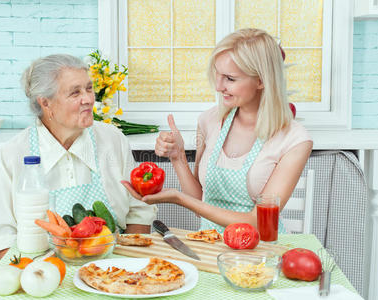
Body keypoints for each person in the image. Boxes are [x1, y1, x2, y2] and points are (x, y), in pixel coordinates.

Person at [122, 28, 312, 233]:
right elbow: (199, 203)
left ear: (261, 80)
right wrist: (177, 157)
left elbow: (259, 222)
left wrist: (178, 198)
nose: (219, 86)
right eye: (217, 74)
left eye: (230, 78)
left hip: (262, 252)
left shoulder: (295, 139)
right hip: (209, 244)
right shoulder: (210, 121)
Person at [0, 54, 157, 261]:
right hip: (43, 269)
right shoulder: (14, 153)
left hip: (113, 266)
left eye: (89, 88)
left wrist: (129, 264)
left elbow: (139, 211)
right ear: (46, 103)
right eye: (75, 93)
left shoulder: (113, 140)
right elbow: (2, 238)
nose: (89, 99)